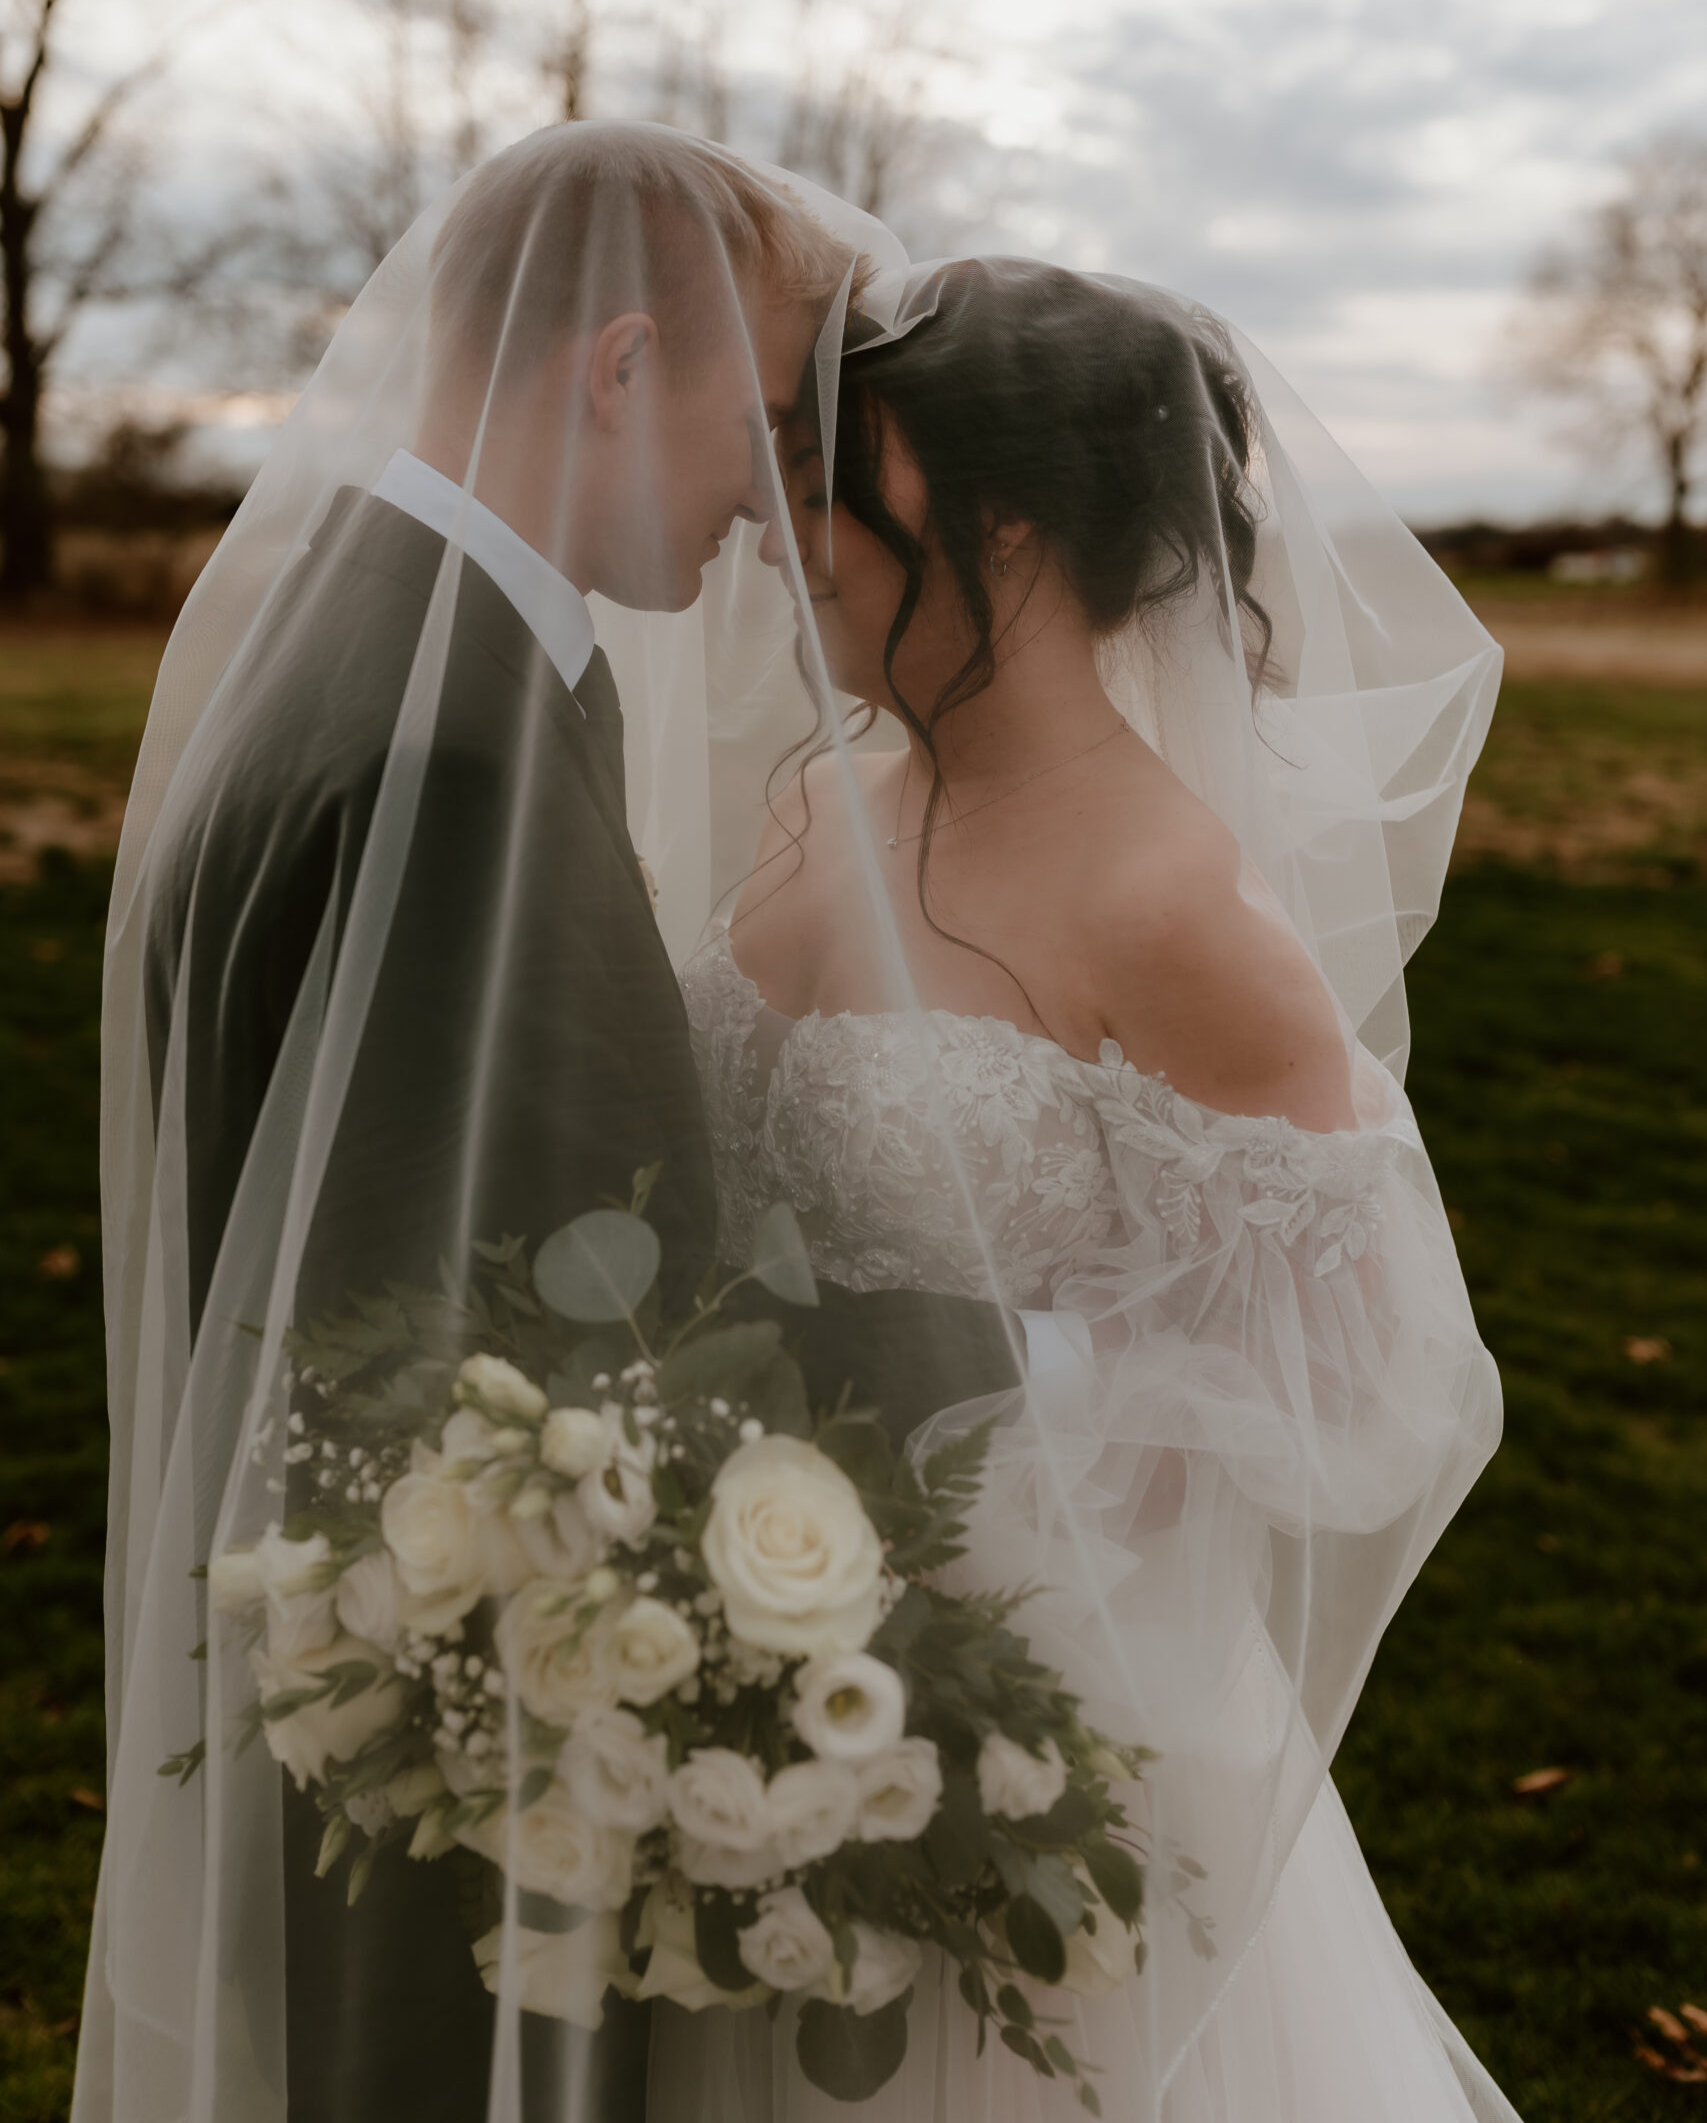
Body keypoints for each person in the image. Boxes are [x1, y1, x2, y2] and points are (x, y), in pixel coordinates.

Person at [80, 129, 1016, 2123]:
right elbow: (551, 1341)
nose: (777, 506)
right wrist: (1001, 1345)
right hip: (449, 1741)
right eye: (764, 422)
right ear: (611, 369)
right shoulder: (460, 746)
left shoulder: (363, 619)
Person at [656, 257, 1521, 2119]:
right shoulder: (822, 801)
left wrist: (989, 1390)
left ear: (1015, 527)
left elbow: (1364, 1374)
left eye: (837, 485)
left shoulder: (1167, 900)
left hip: (1039, 1715)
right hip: (731, 1638)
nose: (787, 535)